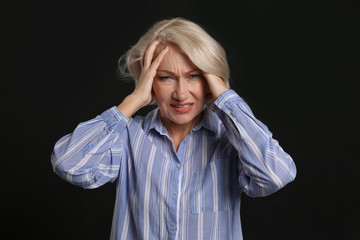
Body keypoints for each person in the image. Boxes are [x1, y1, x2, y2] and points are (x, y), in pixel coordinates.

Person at [51, 17, 296, 240]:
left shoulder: (232, 140)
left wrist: (225, 97)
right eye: (166, 77)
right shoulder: (127, 138)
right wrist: (133, 101)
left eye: (194, 76)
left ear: (211, 81)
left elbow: (276, 175)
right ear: (149, 83)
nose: (180, 94)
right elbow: (68, 164)